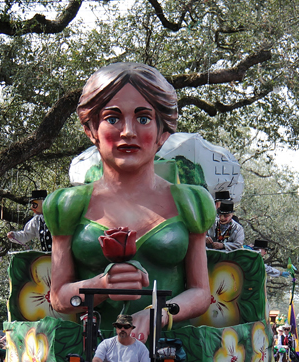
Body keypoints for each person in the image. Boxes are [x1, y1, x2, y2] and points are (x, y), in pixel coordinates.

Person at [45, 62, 214, 342]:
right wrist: (99, 286)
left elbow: (201, 292)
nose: (127, 131)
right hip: (92, 350)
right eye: (112, 118)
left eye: (143, 118)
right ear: (91, 130)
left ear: (163, 132)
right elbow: (59, 297)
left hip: (168, 352)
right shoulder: (66, 205)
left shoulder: (192, 202)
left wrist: (158, 313)